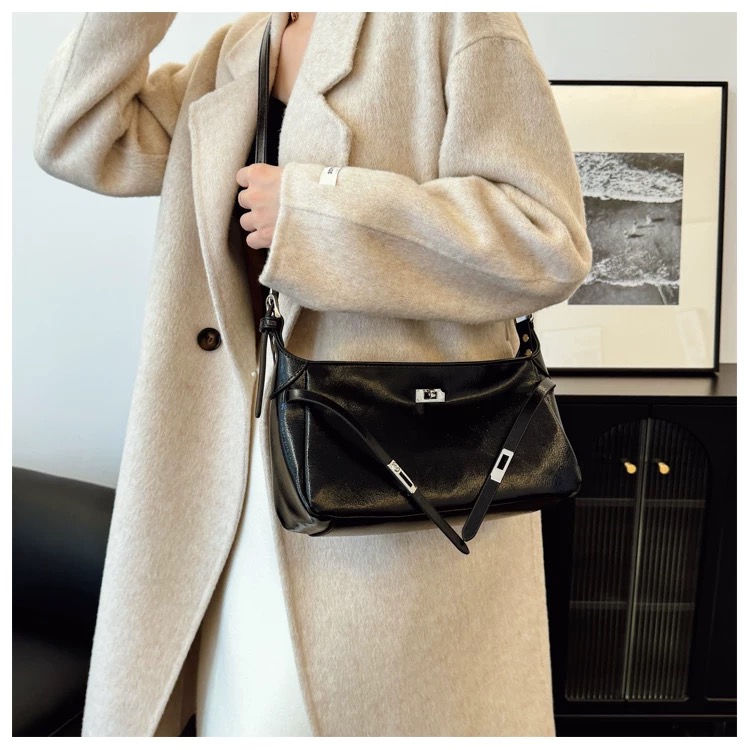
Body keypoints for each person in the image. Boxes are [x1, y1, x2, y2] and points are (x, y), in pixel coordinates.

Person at [33, 11, 593, 737]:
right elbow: (76, 137)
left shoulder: (452, 21)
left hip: (394, 498)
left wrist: (317, 212)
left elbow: (548, 239)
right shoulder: (239, 49)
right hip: (232, 494)